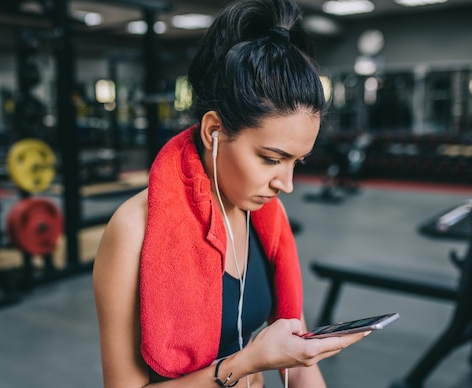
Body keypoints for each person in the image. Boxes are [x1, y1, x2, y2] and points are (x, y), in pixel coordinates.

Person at [93, 0, 367, 386]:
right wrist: (246, 363)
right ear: (213, 132)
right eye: (272, 159)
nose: (285, 185)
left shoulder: (267, 217)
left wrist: (299, 358)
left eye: (297, 162)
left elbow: (301, 359)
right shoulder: (133, 231)